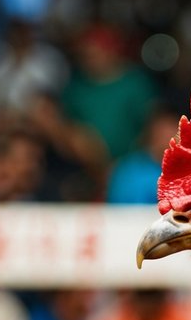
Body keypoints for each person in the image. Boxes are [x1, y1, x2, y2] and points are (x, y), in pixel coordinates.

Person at [60, 24, 156, 161]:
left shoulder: (135, 84)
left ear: (112, 52)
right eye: (86, 55)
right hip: (86, 164)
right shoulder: (76, 87)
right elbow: (68, 123)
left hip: (130, 162)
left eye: (96, 54)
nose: (91, 60)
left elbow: (151, 121)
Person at [107, 107, 178, 204]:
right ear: (151, 133)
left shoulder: (190, 170)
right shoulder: (128, 170)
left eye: (172, 128)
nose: (168, 136)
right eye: (161, 130)